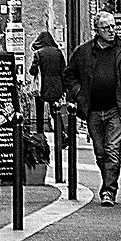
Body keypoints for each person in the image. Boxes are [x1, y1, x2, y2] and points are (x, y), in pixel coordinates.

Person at [63, 11, 121, 206]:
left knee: (113, 150)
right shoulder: (84, 52)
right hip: (93, 109)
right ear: (96, 30)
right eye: (106, 28)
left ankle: (109, 190)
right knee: (100, 152)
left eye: (113, 26)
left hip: (118, 108)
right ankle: (107, 179)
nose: (112, 31)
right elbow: (69, 74)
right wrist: (78, 92)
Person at [28, 29, 68, 169]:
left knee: (40, 113)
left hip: (42, 86)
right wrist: (64, 88)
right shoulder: (58, 52)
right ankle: (62, 135)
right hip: (56, 85)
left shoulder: (39, 53)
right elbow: (64, 70)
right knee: (55, 111)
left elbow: (33, 71)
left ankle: (40, 136)